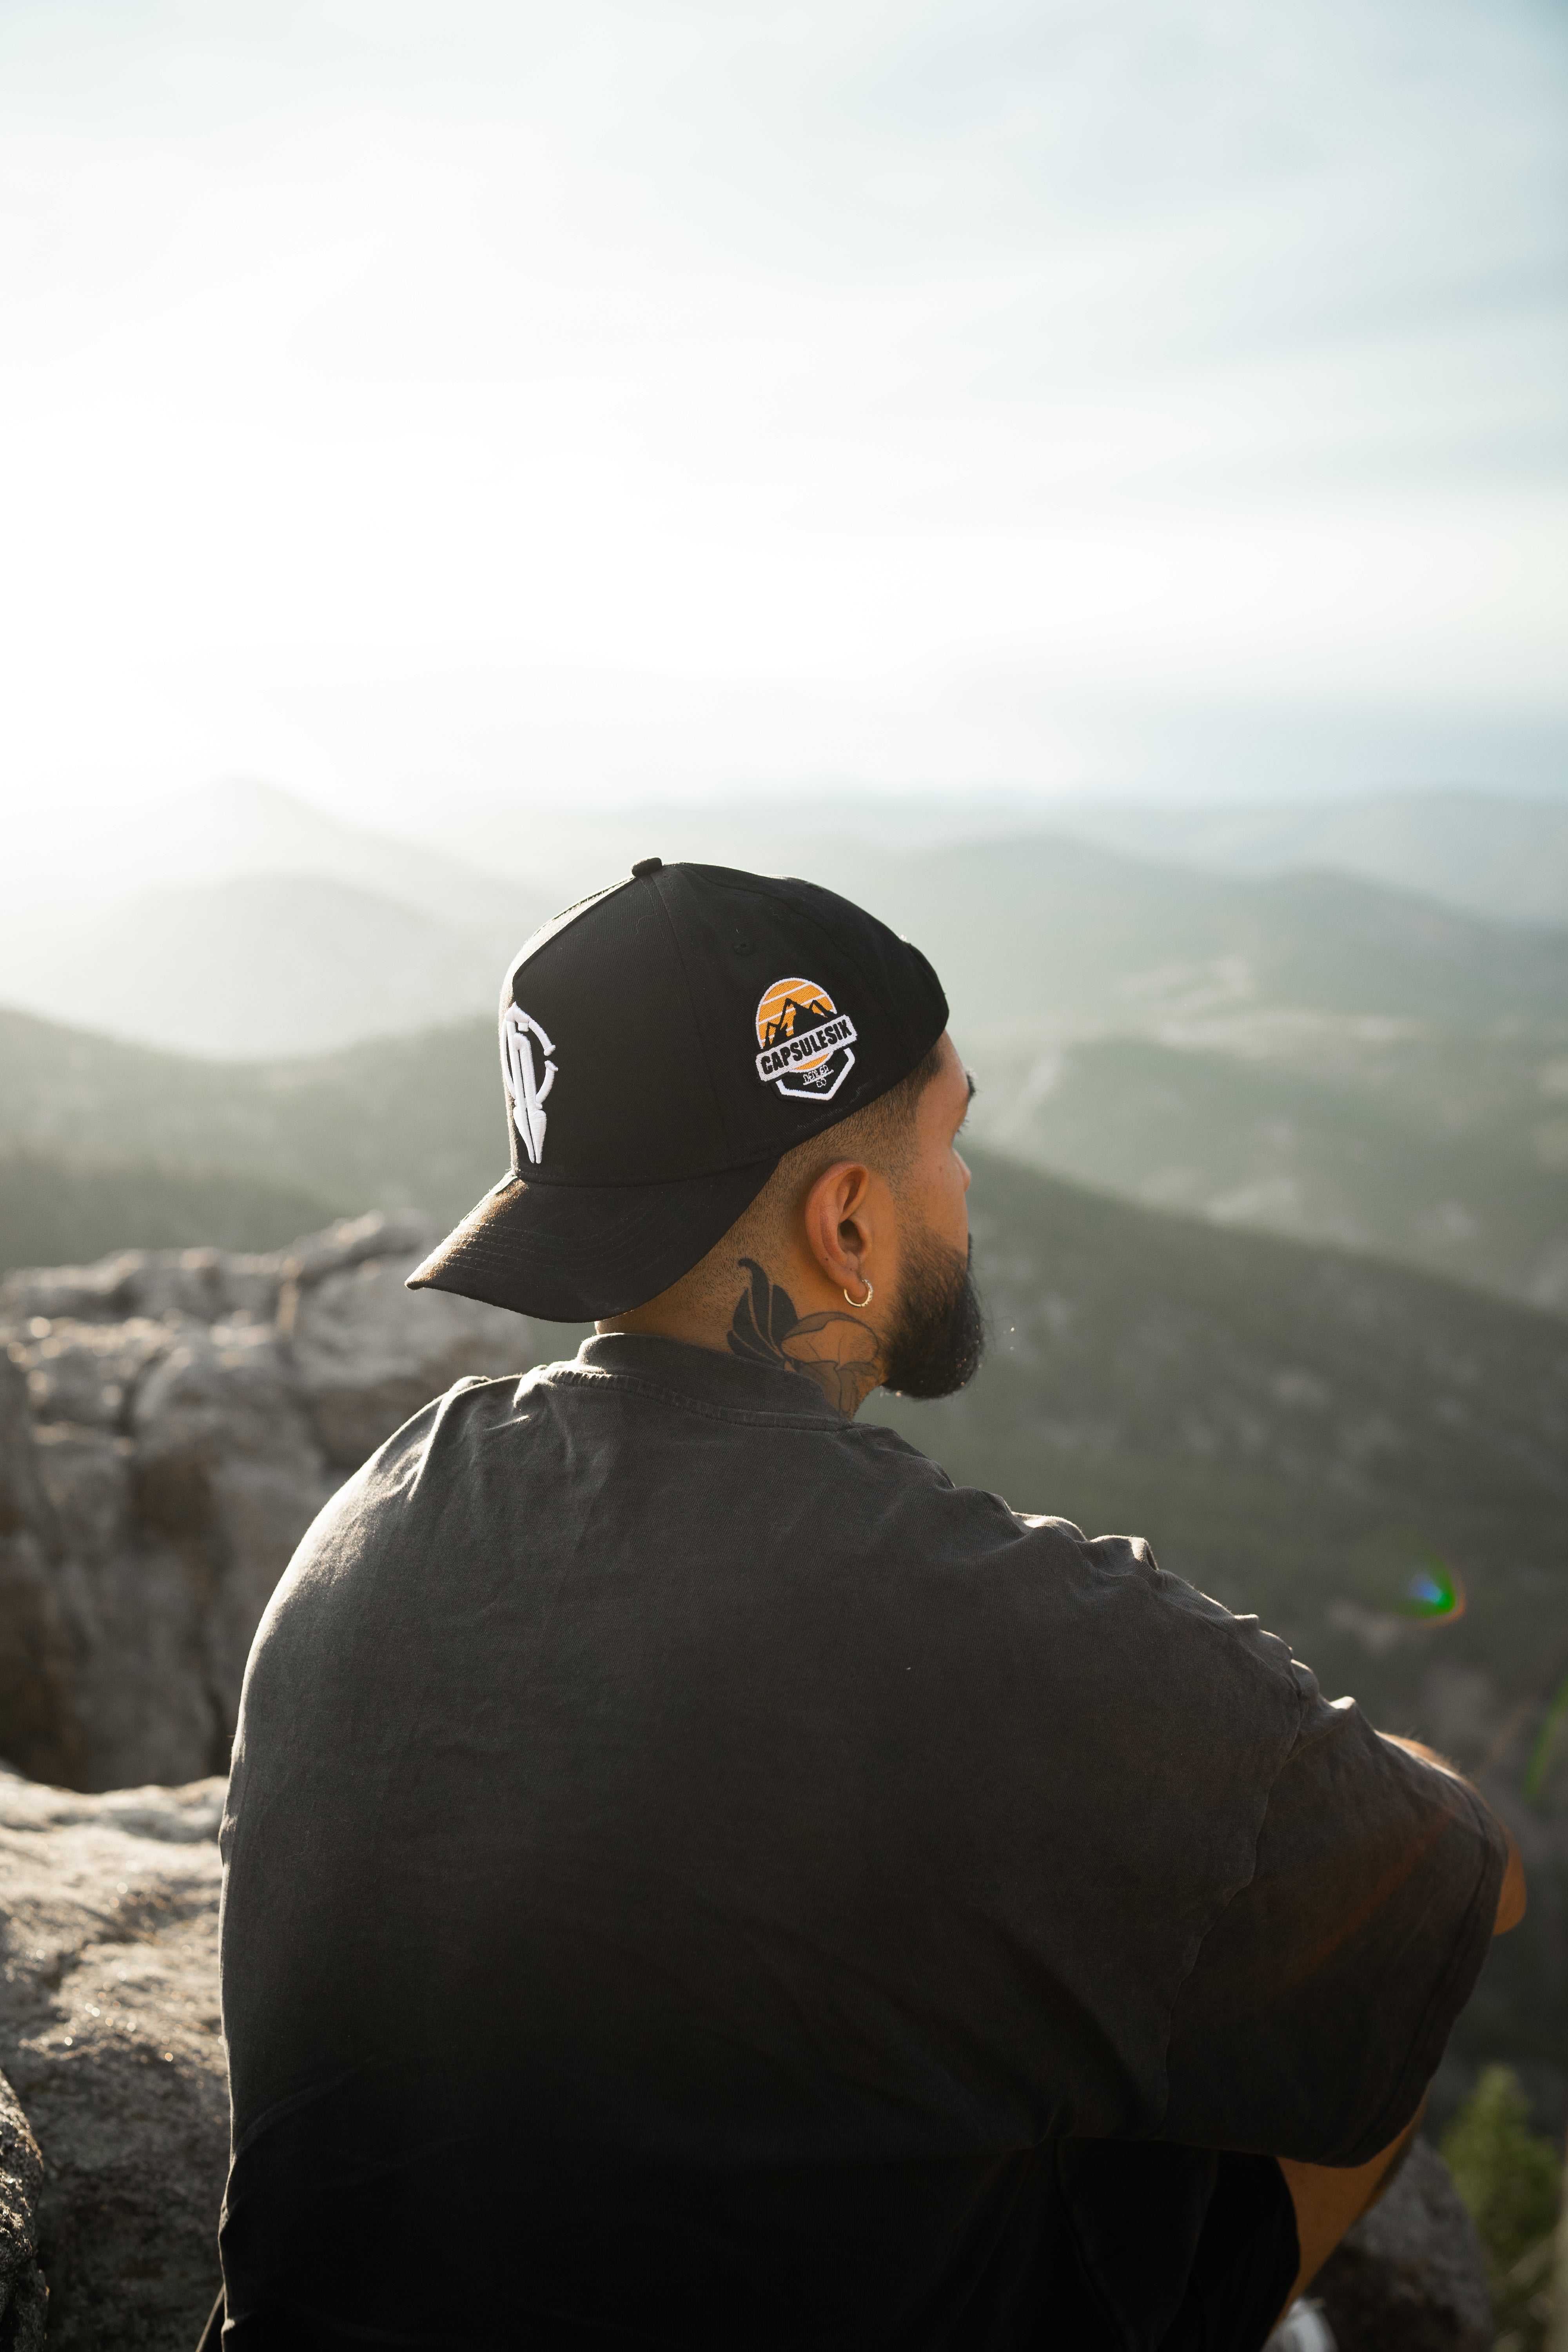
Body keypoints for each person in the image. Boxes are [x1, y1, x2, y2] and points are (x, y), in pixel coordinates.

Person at [209, 860, 1524, 2351]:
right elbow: (1462, 1887)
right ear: (847, 1224)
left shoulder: (378, 1506)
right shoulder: (997, 1626)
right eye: (952, 1136)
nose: (968, 1183)